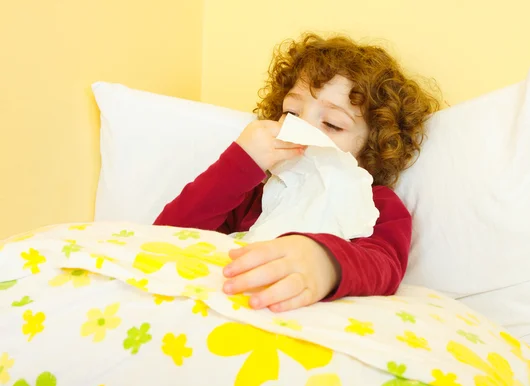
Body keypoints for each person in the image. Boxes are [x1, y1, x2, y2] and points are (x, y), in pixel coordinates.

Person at [154, 33, 439, 312]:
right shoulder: (255, 194)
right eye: (291, 113)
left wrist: (325, 263)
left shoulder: (377, 205)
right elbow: (167, 235)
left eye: (332, 124)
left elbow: (383, 266)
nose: (302, 130)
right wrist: (240, 164)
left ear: (373, 147)